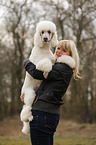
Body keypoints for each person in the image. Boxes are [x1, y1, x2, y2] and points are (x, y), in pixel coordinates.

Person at [20, 40, 80, 145]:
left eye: (64, 50)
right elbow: (46, 90)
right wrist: (30, 97)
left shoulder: (62, 68)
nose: (59, 51)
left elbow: (36, 73)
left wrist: (27, 62)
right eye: (58, 48)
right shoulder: (63, 68)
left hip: (42, 115)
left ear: (70, 55)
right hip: (48, 115)